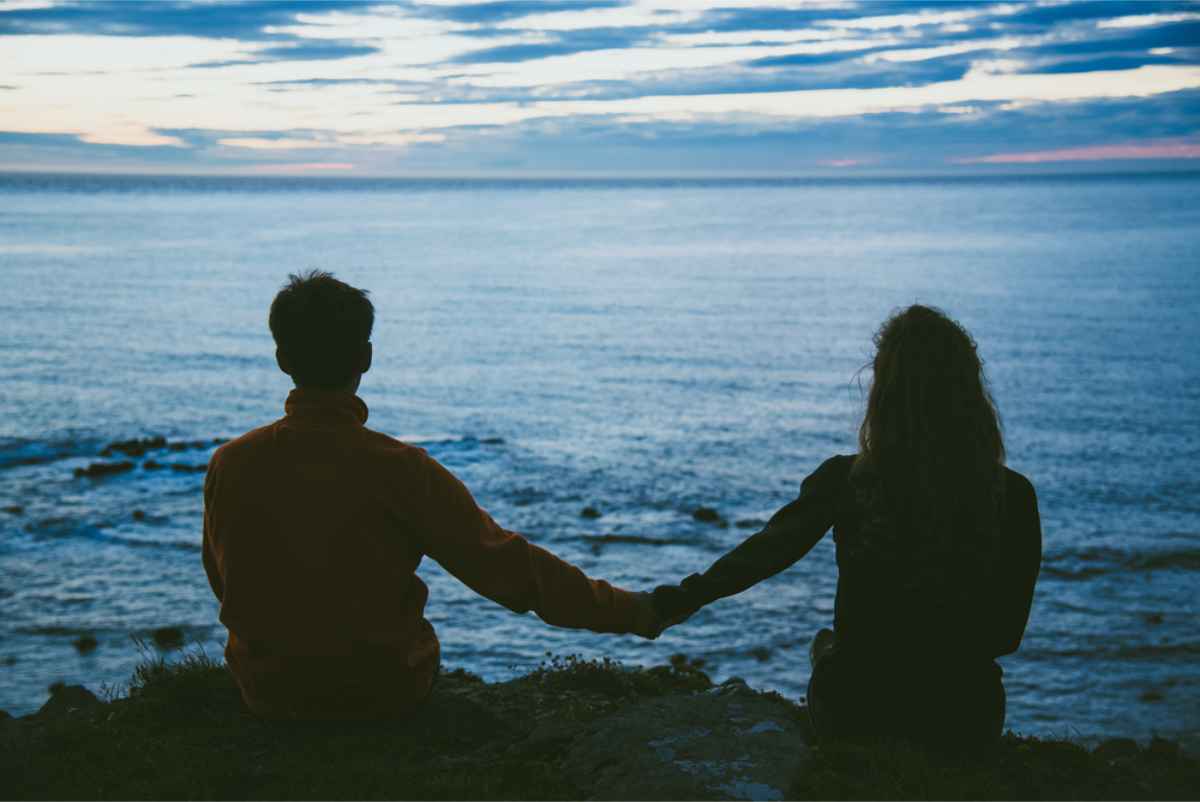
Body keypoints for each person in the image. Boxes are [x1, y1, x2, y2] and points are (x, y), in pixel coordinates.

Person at [202, 270, 658, 720]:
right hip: (382, 691)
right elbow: (511, 570)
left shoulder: (231, 462)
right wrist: (630, 610)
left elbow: (225, 578)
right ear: (365, 357)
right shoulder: (400, 469)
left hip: (268, 692)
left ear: (282, 358)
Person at [649, 304, 1042, 746]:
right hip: (965, 720)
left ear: (883, 392)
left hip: (858, 711)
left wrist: (677, 601)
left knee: (829, 648)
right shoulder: (1014, 495)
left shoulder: (847, 481)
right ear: (969, 393)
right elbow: (1006, 635)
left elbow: (765, 553)